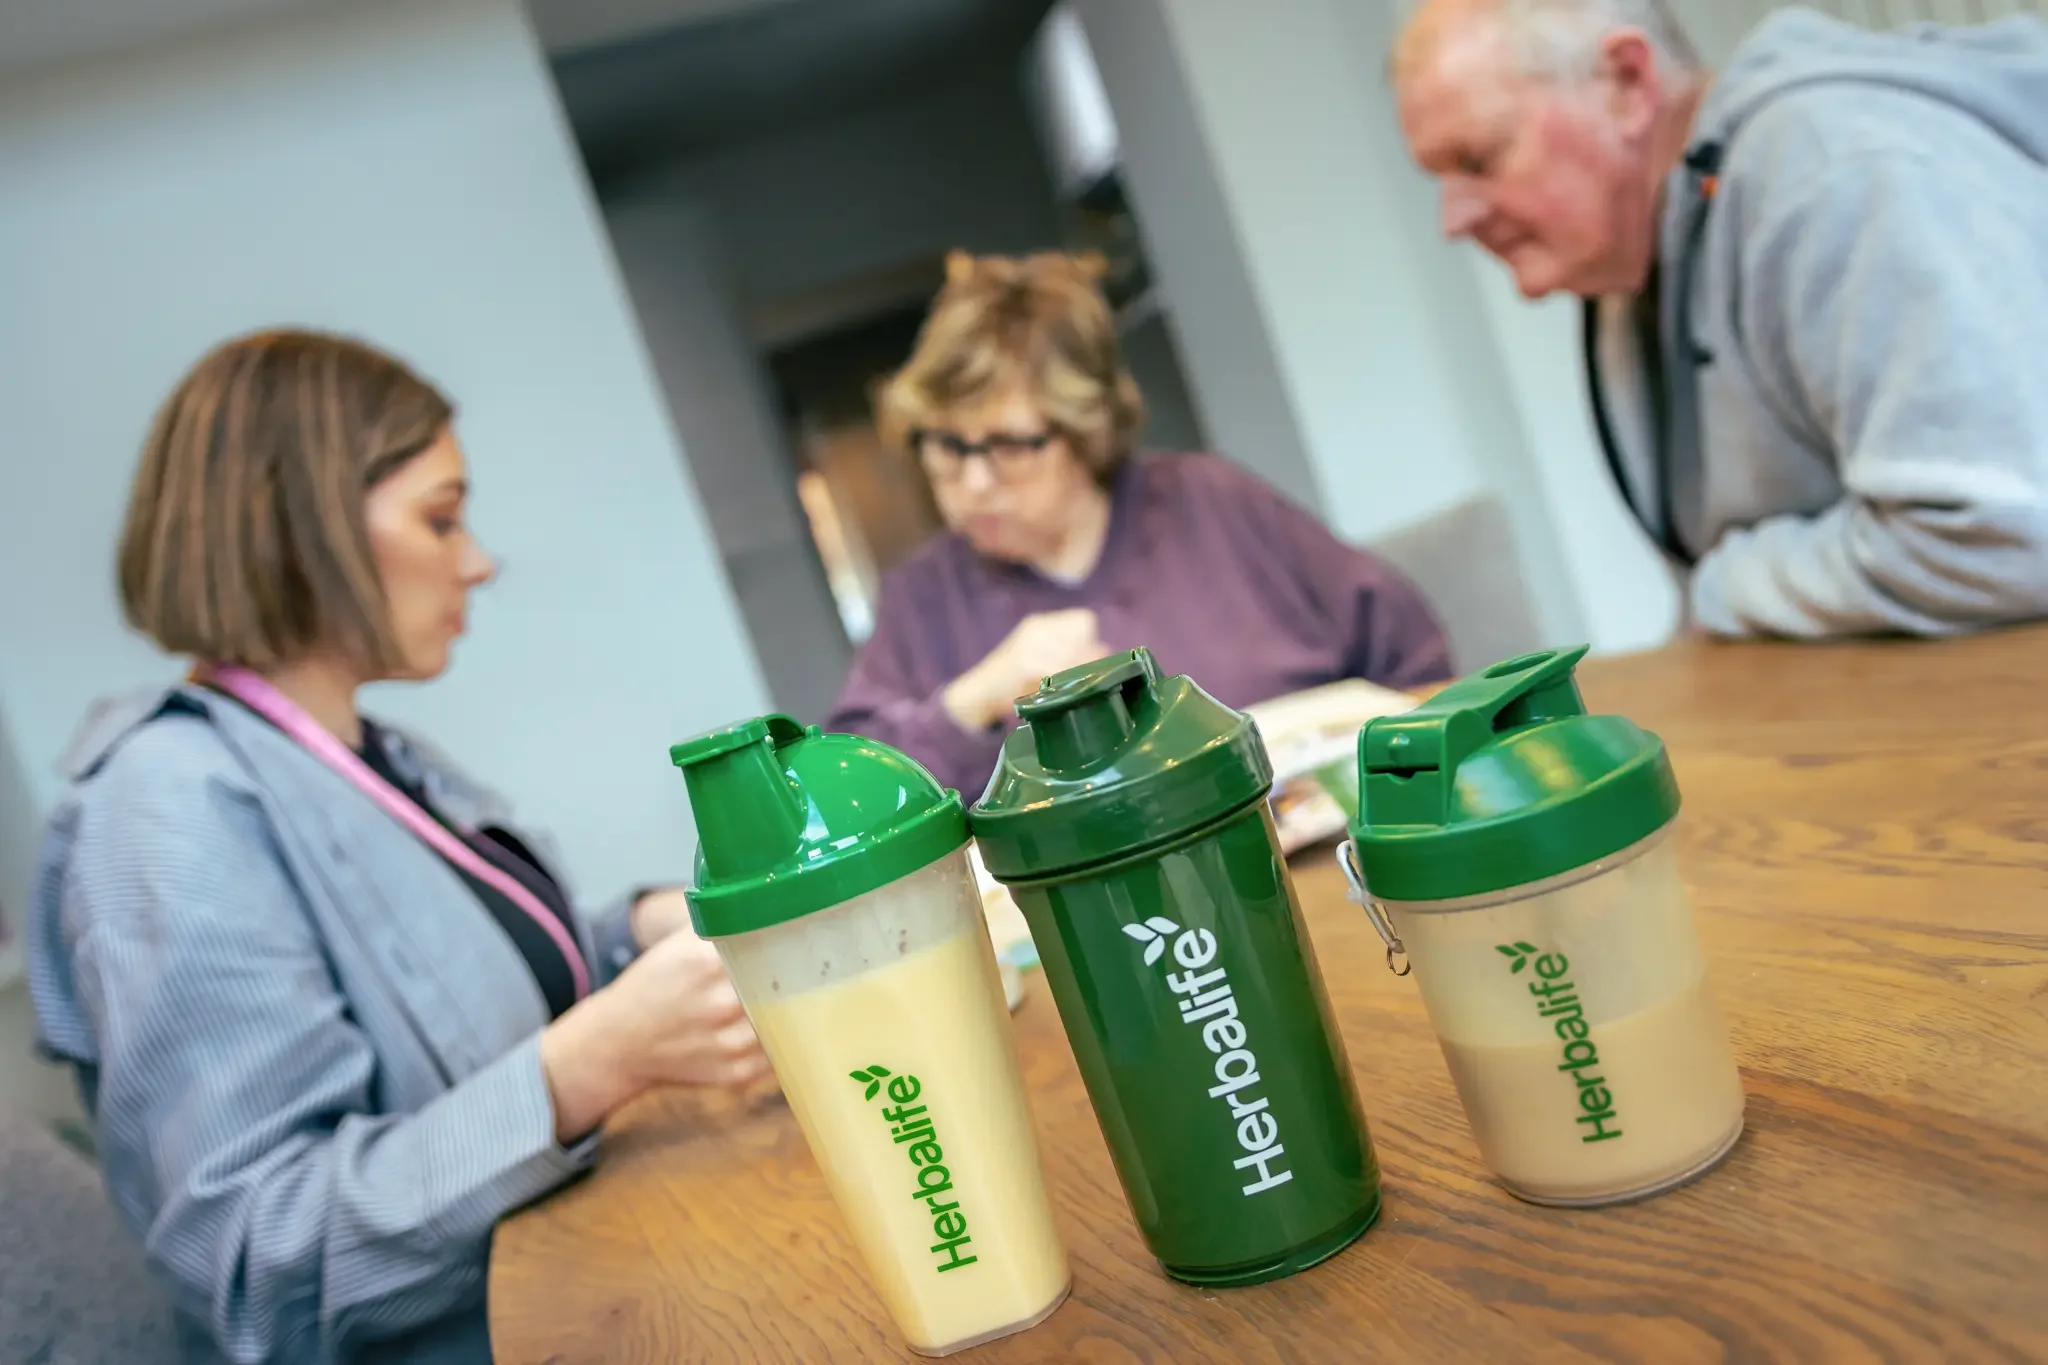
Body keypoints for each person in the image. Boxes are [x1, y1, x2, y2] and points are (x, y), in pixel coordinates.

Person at [27, 331, 770, 1365]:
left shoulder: (368, 754)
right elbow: (256, 1262)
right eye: (440, 519)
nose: (478, 560)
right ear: (303, 530)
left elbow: (478, 992)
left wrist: (641, 928)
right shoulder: (164, 810)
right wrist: (589, 1065)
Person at [1393, 0, 2048, 638]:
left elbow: (2006, 542)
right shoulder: (1634, 262)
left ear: (1627, 82)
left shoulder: (1831, 166)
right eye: (1440, 179)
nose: (1455, 219)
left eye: (1479, 160)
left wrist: (1724, 584)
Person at [826, 251, 1452, 798]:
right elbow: (860, 791)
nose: (973, 482)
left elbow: (1414, 663)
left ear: (1086, 432)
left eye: (1010, 446)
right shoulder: (924, 597)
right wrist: (973, 700)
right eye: (948, 446)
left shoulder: (1212, 502)